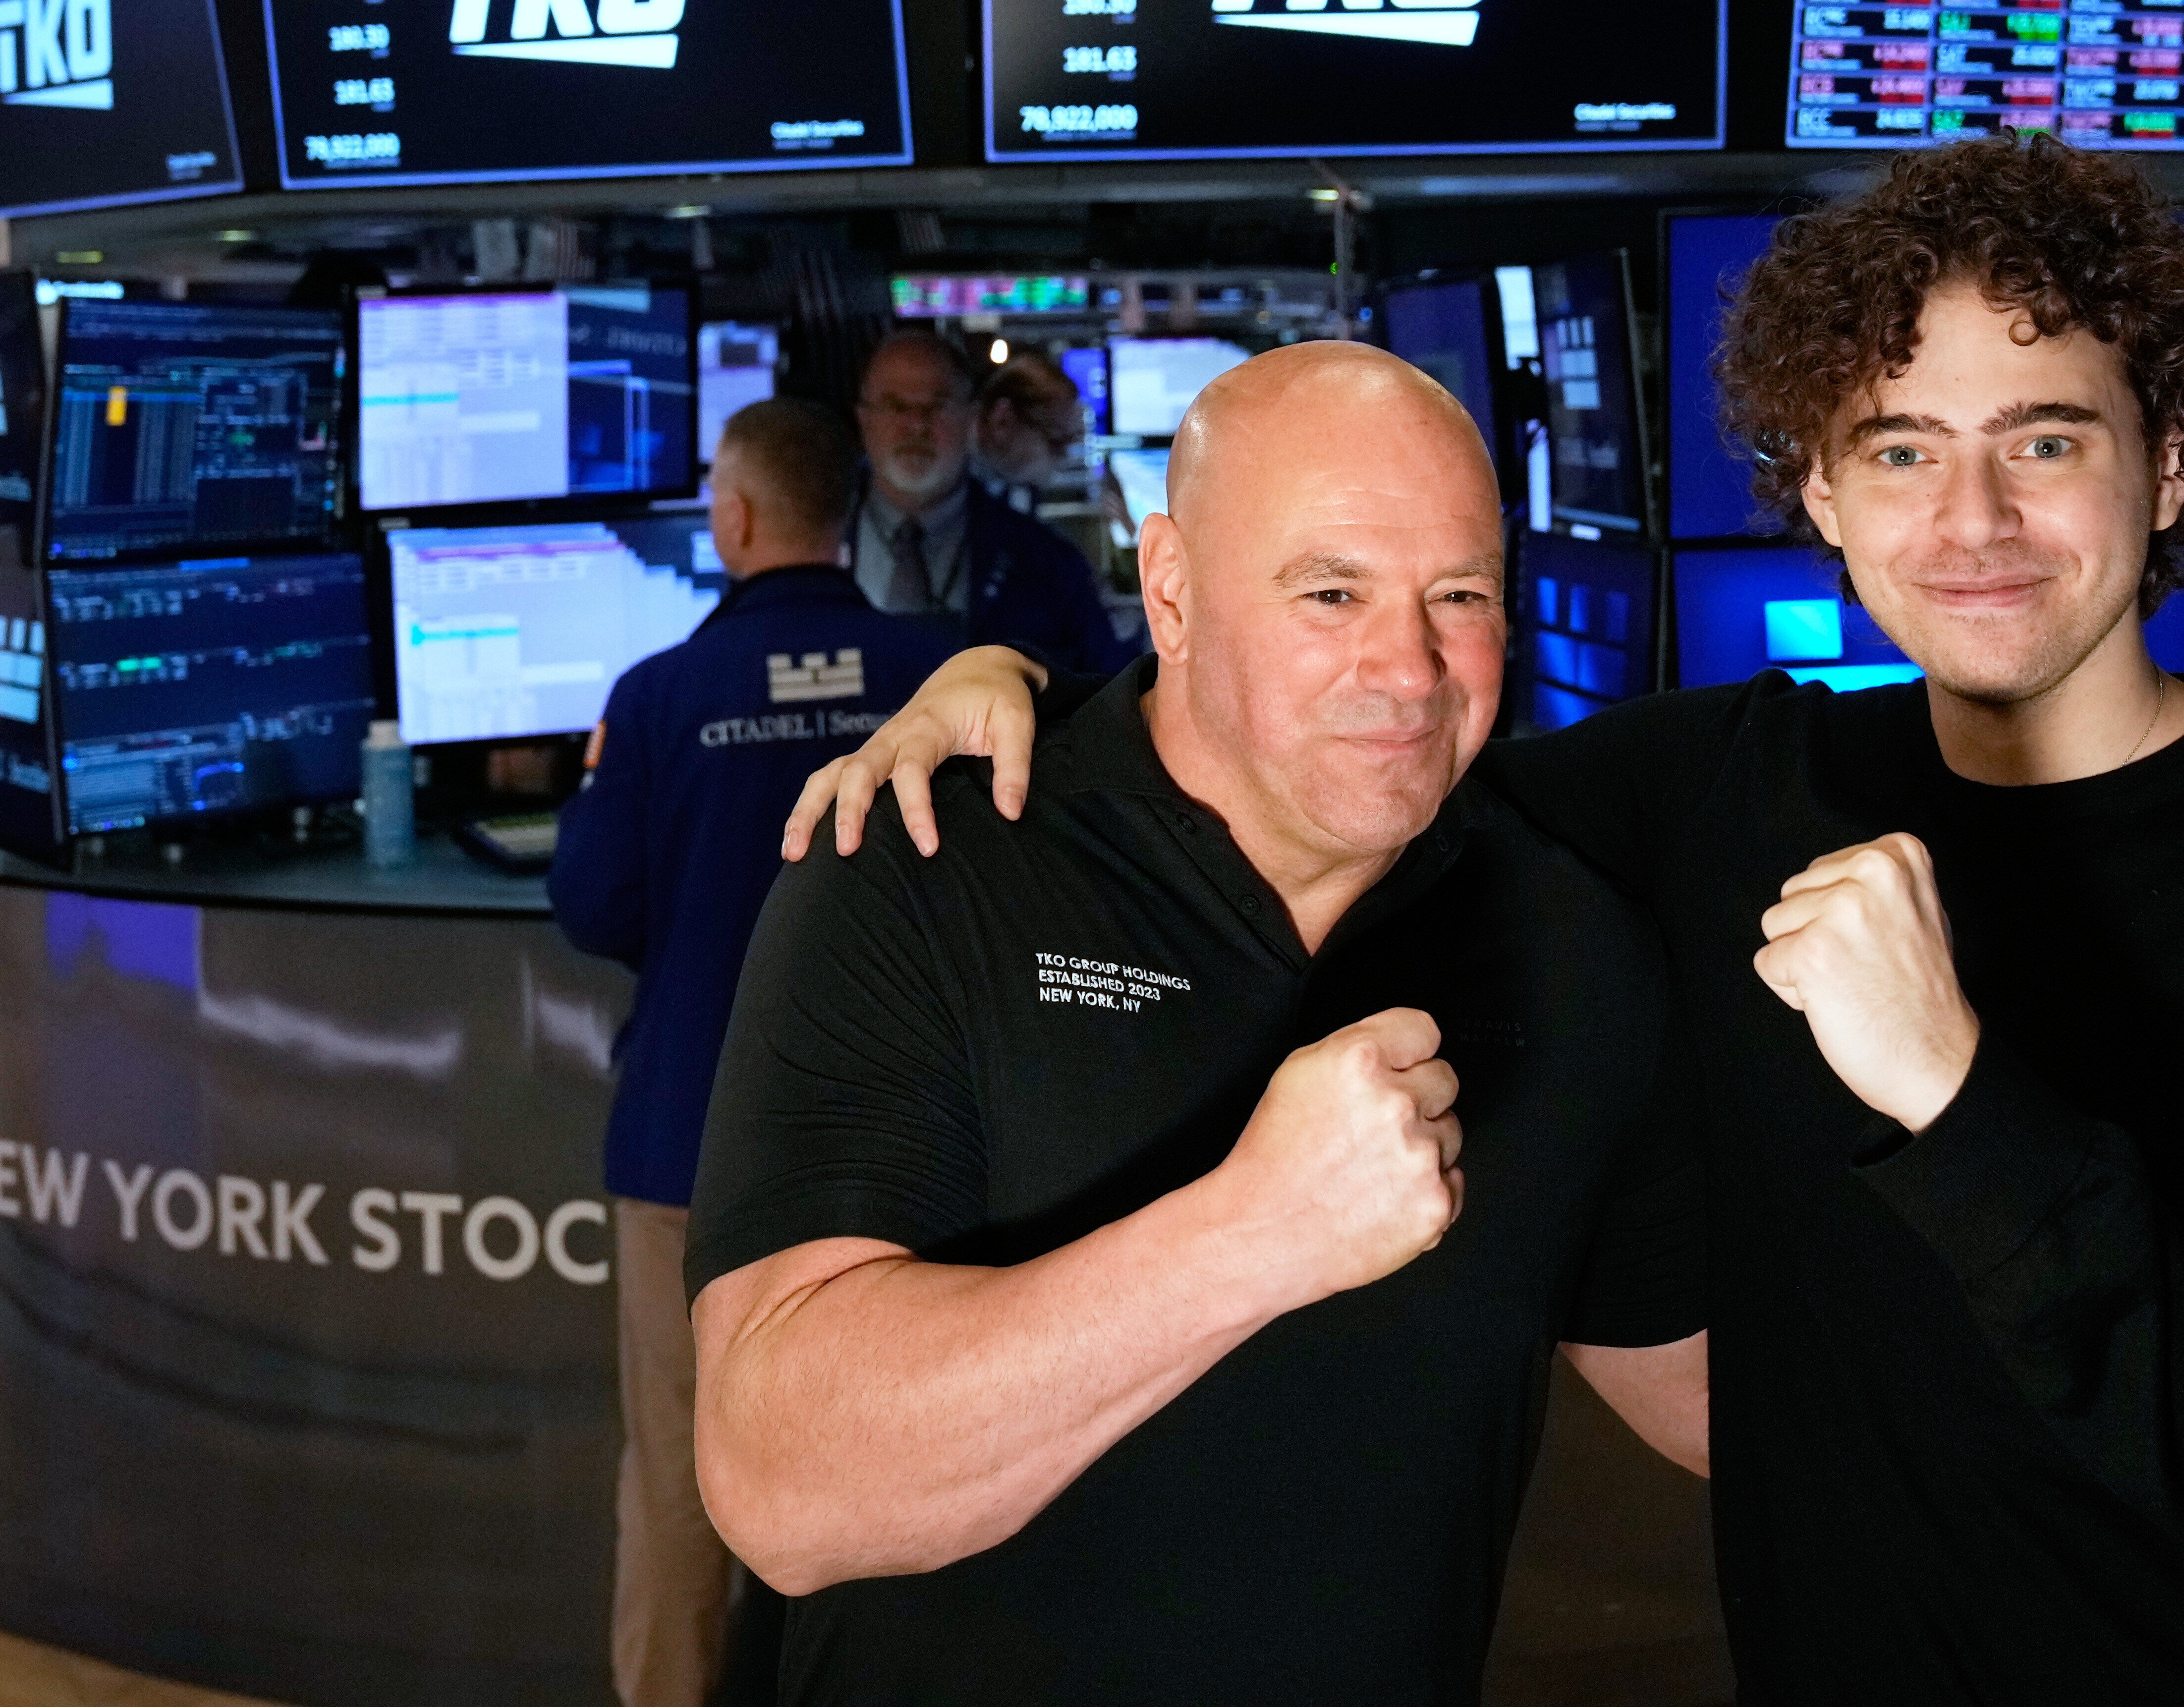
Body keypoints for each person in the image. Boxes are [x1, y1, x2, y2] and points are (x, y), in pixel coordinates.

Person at [796, 134, 2184, 1706]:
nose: (1972, 519)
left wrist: (1959, 1099)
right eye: (1900, 448)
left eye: (2046, 440)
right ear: (1822, 494)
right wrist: (1012, 683)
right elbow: (1364, 739)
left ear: (2168, 468)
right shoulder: (1724, 788)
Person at [686, 343, 1706, 1705]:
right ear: (1169, 590)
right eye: (1331, 592)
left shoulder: (1569, 936)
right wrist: (1253, 1233)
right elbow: (779, 1482)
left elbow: (1713, 1396)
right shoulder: (931, 855)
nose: (1409, 669)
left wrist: (1957, 1147)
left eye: (1458, 595)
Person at [548, 398, 969, 1707]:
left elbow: (594, 904)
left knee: (681, 1489)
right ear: (845, 512)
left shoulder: (659, 697)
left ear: (731, 520)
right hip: (908, 1160)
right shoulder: (944, 674)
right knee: (900, 1489)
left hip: (692, 1148)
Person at [847, 330, 1126, 673]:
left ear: (969, 416)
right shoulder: (806, 543)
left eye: (938, 406)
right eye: (895, 406)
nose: (916, 425)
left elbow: (1104, 683)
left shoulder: (1050, 567)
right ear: (863, 418)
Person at [969, 354, 1088, 510]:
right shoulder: (944, 476)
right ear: (1002, 421)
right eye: (1057, 443)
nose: (1064, 459)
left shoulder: (1016, 487)